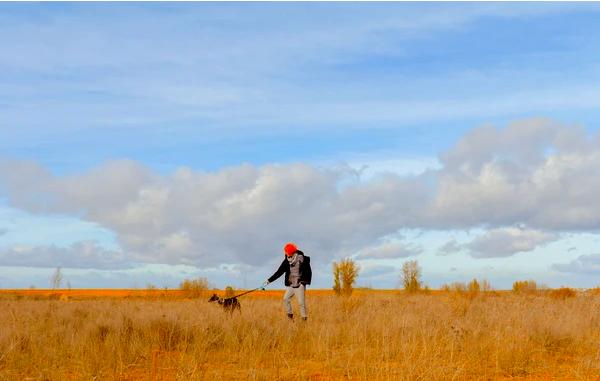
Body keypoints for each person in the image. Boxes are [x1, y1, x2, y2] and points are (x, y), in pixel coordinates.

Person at [263, 242, 309, 320]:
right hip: (291, 285)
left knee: (301, 303)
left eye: (286, 251)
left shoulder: (301, 259)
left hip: (299, 284)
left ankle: (304, 320)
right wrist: (268, 281)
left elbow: (308, 271)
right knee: (286, 299)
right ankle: (290, 317)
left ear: (291, 251)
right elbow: (279, 272)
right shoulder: (286, 261)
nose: (285, 253)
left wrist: (303, 282)